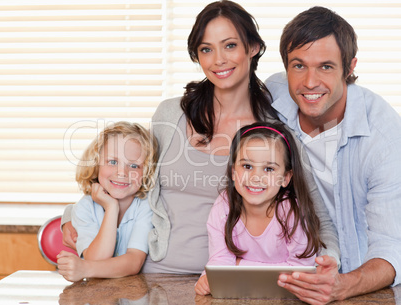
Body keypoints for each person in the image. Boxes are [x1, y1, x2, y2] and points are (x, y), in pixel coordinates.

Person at [62, 0, 339, 274]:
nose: (218, 59)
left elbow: (317, 215)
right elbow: (127, 177)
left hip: (230, 282)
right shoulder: (170, 115)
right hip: (152, 275)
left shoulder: (276, 133)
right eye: (207, 49)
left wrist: (329, 261)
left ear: (252, 48)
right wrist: (71, 216)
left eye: (230, 45)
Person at [265, 6, 401, 304]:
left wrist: (342, 285)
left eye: (326, 67)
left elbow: (390, 247)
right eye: (298, 66)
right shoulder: (273, 95)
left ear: (349, 67)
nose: (310, 82)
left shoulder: (384, 136)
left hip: (360, 278)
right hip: (295, 274)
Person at [195, 122, 326, 295]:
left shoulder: (293, 213)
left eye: (269, 169)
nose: (256, 177)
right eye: (247, 166)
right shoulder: (223, 207)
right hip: (241, 293)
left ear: (285, 178)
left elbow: (300, 272)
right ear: (234, 172)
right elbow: (220, 263)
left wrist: (239, 265)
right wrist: (208, 279)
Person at [57, 121, 158, 282]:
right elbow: (97, 260)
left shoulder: (145, 206)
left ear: (146, 172)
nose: (122, 173)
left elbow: (133, 262)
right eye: (112, 162)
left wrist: (84, 268)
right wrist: (112, 208)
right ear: (96, 164)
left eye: (134, 165)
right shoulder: (85, 207)